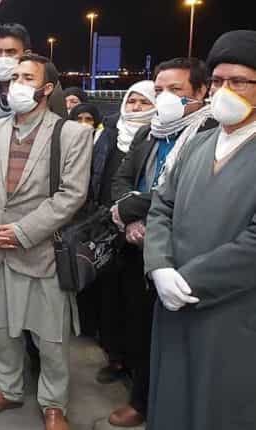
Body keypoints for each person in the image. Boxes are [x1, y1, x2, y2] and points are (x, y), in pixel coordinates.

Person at [0, 54, 93, 430]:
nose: (17, 83)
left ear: (47, 87)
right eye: (15, 77)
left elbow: (72, 195)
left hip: (40, 251)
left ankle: (53, 403)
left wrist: (22, 232)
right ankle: (8, 389)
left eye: (28, 77)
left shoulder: (71, 133)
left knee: (50, 336)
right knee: (1, 328)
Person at [143, 29, 256, 430]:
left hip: (231, 311)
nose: (225, 90)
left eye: (239, 81)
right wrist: (158, 266)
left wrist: (187, 281)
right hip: (171, 299)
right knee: (171, 396)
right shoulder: (196, 144)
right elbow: (161, 206)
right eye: (219, 81)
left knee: (219, 404)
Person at [108, 57, 215, 428]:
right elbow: (121, 181)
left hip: (178, 251)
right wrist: (130, 220)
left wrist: (135, 210)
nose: (165, 98)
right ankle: (141, 397)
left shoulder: (209, 134)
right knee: (138, 325)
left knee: (175, 335)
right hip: (135, 246)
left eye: (176, 90)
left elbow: (172, 194)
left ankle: (165, 403)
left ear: (201, 92)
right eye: (159, 90)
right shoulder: (148, 133)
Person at [88, 81, 156, 387]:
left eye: (144, 102)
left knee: (136, 305)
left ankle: (135, 367)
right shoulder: (109, 134)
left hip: (141, 234)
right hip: (106, 228)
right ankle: (114, 358)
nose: (137, 108)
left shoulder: (155, 138)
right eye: (132, 102)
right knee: (110, 299)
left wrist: (131, 218)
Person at [0, 23, 66, 127]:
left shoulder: (47, 90)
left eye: (10, 52)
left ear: (26, 54)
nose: (2, 58)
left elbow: (61, 129)